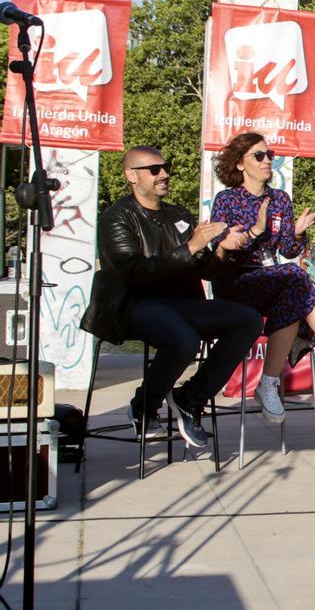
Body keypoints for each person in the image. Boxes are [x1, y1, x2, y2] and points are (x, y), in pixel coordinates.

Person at [80, 146, 263, 447]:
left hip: (182, 303)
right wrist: (190, 247)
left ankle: (190, 398)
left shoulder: (179, 215)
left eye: (166, 167)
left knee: (248, 320)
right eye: (154, 170)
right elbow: (136, 272)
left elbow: (206, 270)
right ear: (131, 176)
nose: (164, 174)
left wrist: (221, 249)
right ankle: (143, 406)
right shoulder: (116, 218)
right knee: (184, 338)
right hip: (134, 304)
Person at [209, 132, 315, 425]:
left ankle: (268, 383)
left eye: (269, 155)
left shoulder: (280, 199)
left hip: (272, 280)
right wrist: (256, 230)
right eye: (259, 155)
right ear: (241, 164)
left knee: (292, 289)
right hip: (236, 280)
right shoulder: (226, 200)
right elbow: (221, 246)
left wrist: (297, 231)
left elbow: (288, 249)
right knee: (294, 278)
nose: (268, 160)